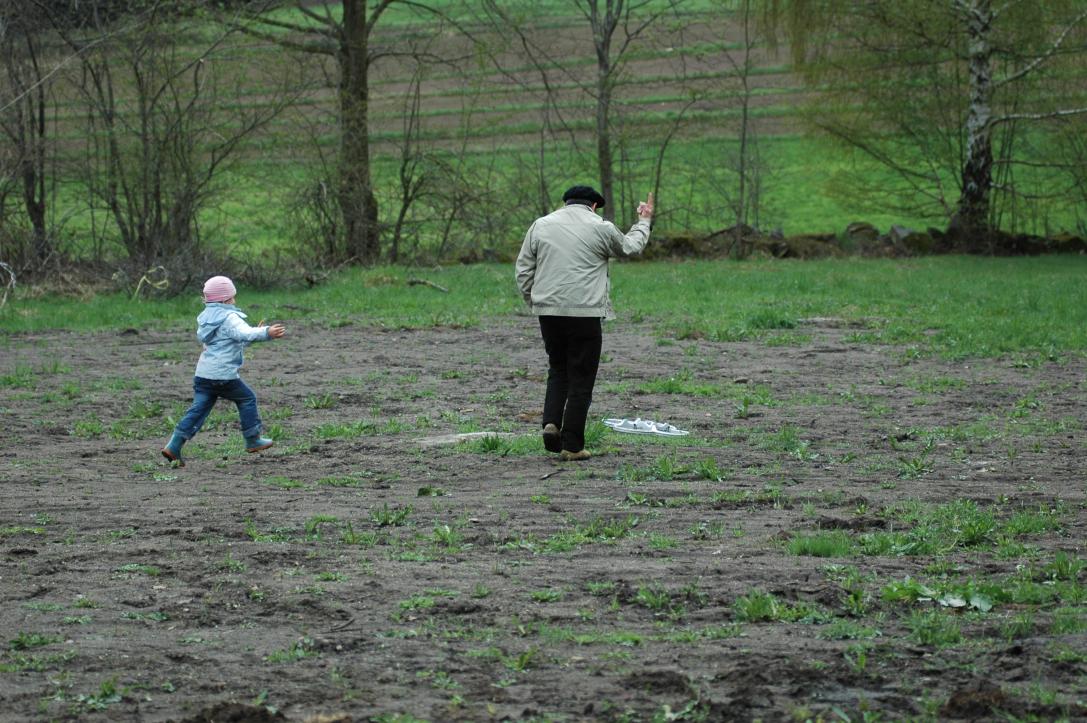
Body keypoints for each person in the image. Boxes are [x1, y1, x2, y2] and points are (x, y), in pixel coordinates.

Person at [516, 185, 654, 461]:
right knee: (582, 377)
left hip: (549, 312)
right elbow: (630, 247)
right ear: (594, 206)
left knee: (558, 368)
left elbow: (523, 270)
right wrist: (644, 221)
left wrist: (536, 301)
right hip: (585, 314)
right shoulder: (601, 226)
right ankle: (573, 445)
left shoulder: (541, 225)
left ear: (566, 203)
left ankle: (551, 422)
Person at [161, 276, 286, 467]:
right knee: (247, 398)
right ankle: (252, 439)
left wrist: (255, 334)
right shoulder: (229, 317)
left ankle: (174, 445)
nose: (234, 301)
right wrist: (266, 332)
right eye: (233, 298)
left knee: (198, 410)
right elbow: (243, 333)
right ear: (226, 300)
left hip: (203, 375)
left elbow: (236, 338)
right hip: (223, 376)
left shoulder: (207, 318)